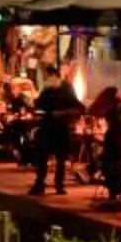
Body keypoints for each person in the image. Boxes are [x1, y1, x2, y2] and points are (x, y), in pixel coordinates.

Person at [30, 66, 80, 196]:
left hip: (60, 127)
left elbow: (77, 107)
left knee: (60, 159)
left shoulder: (66, 89)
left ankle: (59, 185)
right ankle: (40, 184)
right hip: (47, 126)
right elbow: (39, 104)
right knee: (43, 157)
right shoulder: (47, 89)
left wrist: (61, 113)